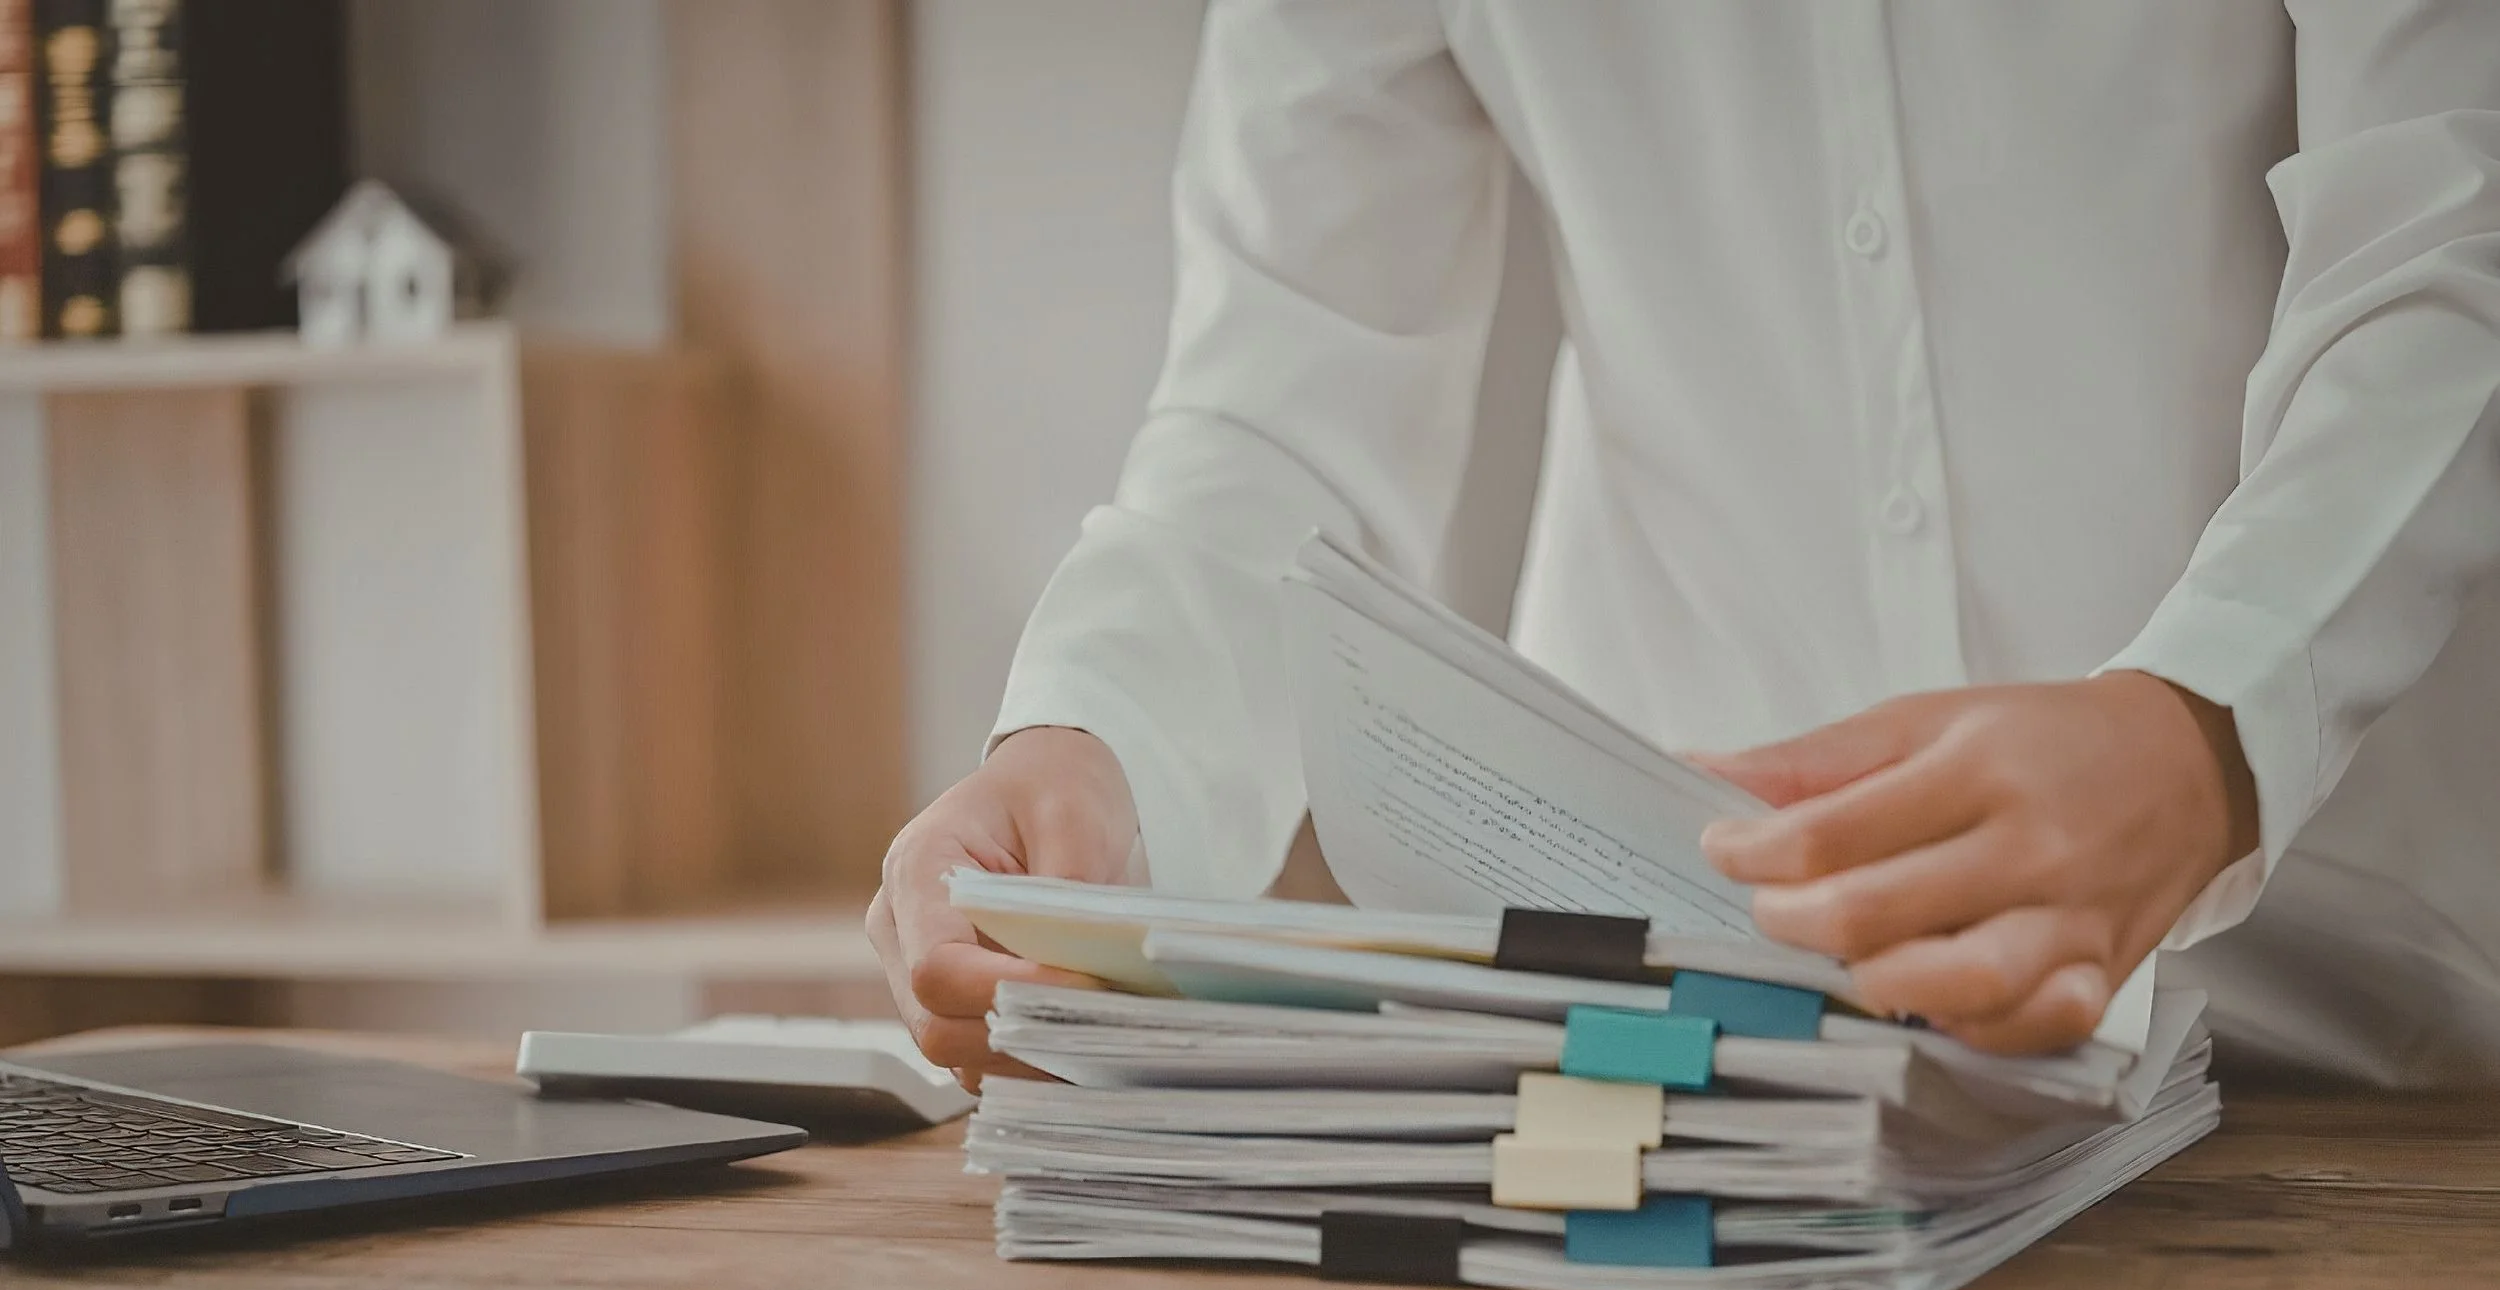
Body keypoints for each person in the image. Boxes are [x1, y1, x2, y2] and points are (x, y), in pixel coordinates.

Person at [871, 2, 2500, 1091]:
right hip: (1684, 1016)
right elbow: (1285, 376)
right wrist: (1097, 743)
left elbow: (2452, 230)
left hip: (2343, 1025)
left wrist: (2211, 724)